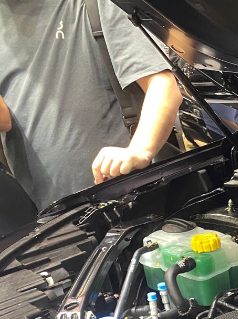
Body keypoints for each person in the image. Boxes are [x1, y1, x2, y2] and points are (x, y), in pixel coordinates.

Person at [0, 0, 183, 211]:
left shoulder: (96, 4)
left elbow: (162, 85)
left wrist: (140, 149)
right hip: (50, 213)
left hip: (129, 194)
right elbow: (5, 120)